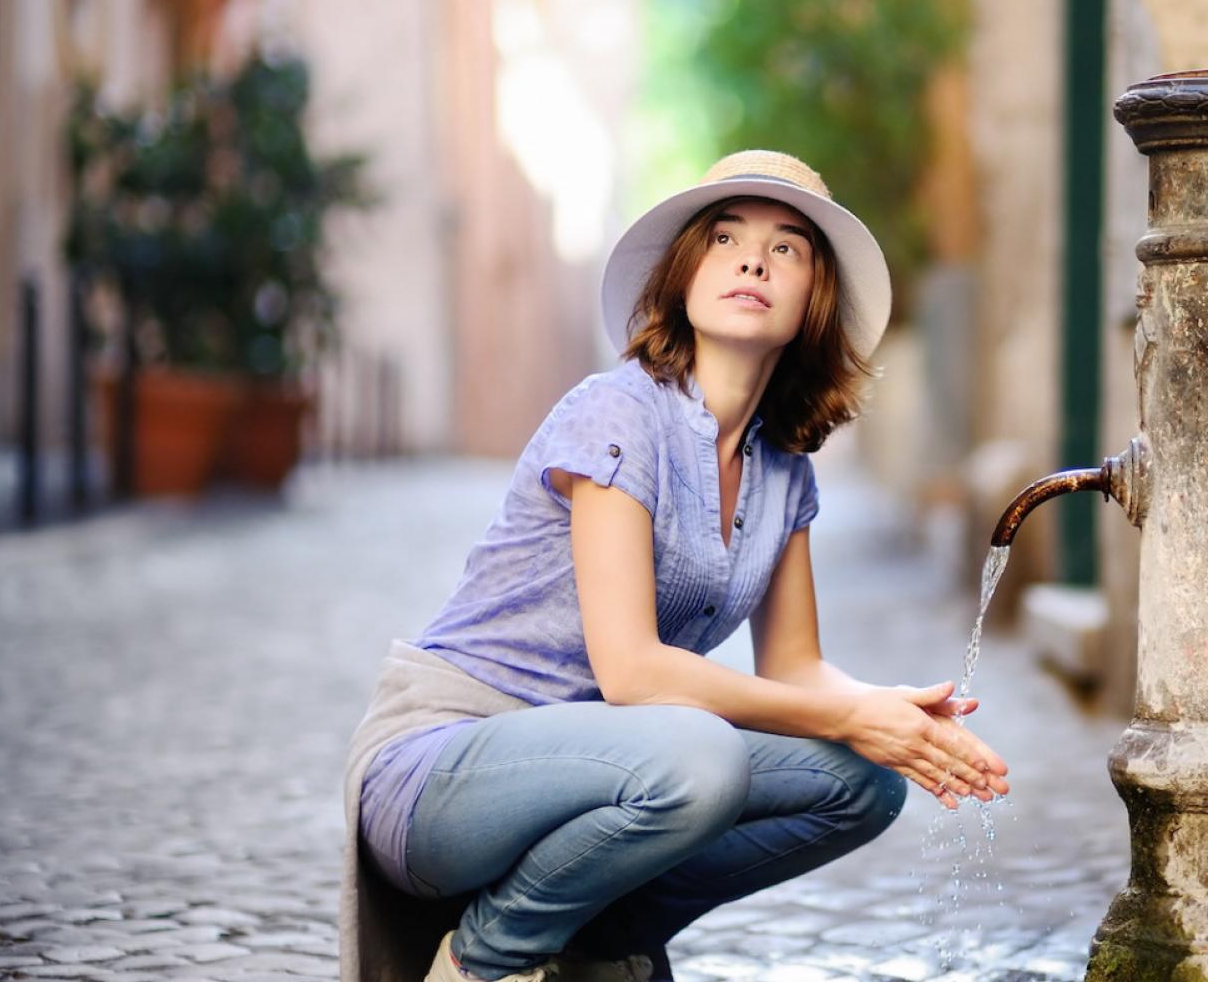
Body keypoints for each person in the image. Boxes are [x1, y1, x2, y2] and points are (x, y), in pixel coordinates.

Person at [338, 151, 1011, 982]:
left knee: (864, 784)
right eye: (725, 236)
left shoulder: (782, 470)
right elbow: (631, 673)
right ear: (686, 273)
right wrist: (844, 717)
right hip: (449, 766)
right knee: (703, 757)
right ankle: (484, 960)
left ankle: (594, 941)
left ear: (814, 301)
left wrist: (886, 716)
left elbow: (796, 667)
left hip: (617, 767)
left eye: (788, 248)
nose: (753, 259)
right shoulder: (619, 410)